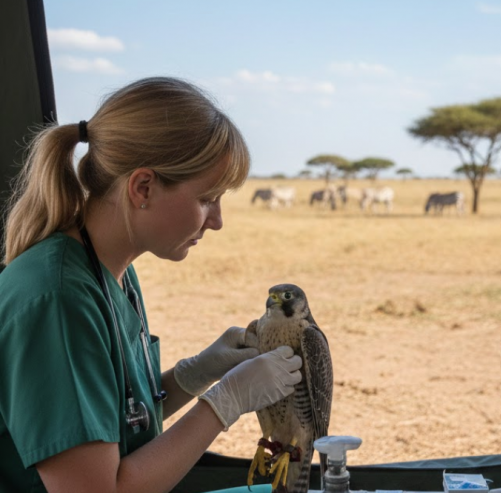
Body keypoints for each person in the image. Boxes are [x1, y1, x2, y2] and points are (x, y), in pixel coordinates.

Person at [0, 77, 304, 492]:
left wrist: (196, 373)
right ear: (143, 187)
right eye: (206, 199)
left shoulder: (110, 270)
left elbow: (115, 420)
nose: (217, 221)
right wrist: (223, 404)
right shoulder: (57, 299)